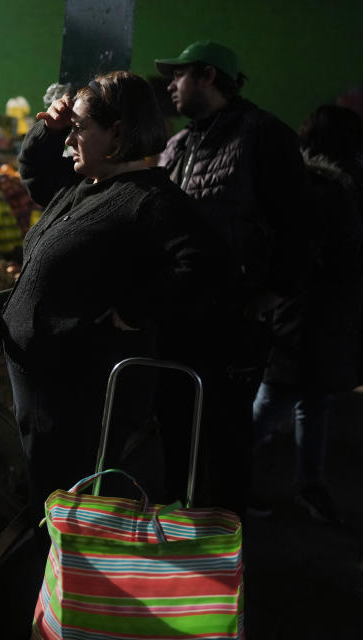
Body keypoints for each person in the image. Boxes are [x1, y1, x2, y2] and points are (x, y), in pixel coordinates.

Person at [0, 71, 227, 547]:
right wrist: (54, 126)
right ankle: (57, 590)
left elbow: (208, 262)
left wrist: (137, 309)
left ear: (118, 133)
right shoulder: (86, 183)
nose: (72, 141)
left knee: (71, 508)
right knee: (51, 500)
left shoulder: (150, 199)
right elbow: (37, 172)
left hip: (80, 392)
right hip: (45, 382)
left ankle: (74, 604)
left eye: (81, 129)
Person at [153, 41, 308, 518]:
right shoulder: (179, 144)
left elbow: (299, 227)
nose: (169, 86)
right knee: (175, 430)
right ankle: (177, 537)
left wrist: (268, 298)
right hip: (177, 318)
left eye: (178, 76)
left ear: (207, 75)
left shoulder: (263, 135)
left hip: (234, 321)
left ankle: (224, 550)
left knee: (225, 439)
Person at [251, 105, 363, 523]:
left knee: (307, 402)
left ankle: (308, 482)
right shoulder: (326, 188)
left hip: (306, 314)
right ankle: (225, 479)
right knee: (275, 402)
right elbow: (328, 257)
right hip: (308, 316)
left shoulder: (315, 183)